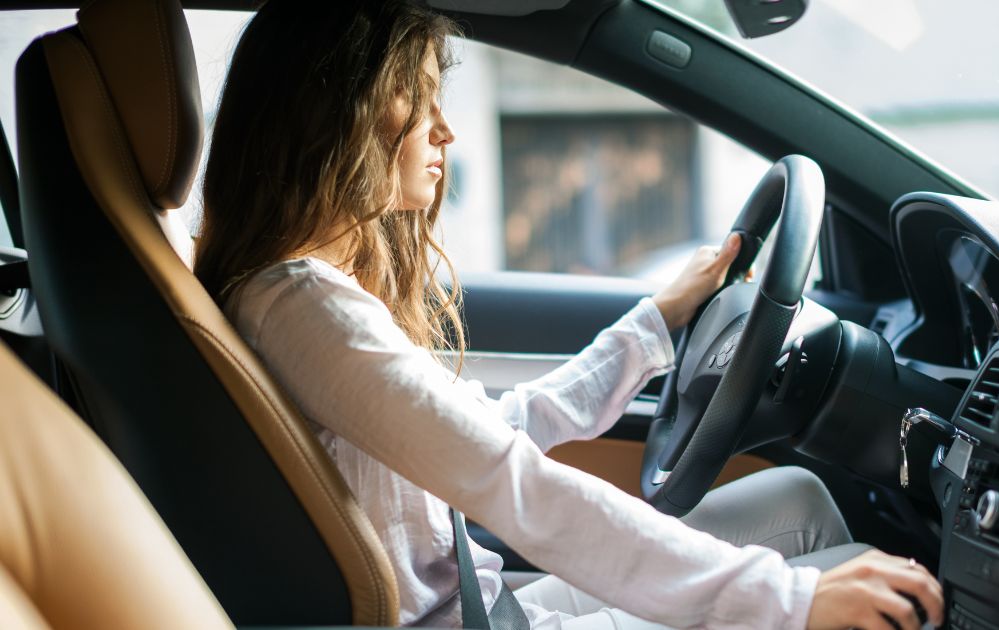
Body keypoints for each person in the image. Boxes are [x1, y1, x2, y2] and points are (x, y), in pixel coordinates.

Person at [193, 2, 944, 629]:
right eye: (418, 100)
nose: (444, 132)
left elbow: (495, 435)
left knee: (799, 500)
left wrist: (654, 324)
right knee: (858, 587)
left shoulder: (305, 296)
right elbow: (510, 481)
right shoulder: (305, 309)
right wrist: (791, 602)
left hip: (482, 607)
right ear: (338, 115)